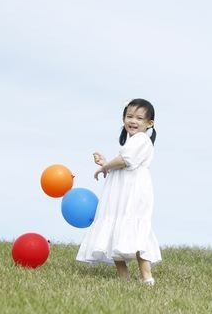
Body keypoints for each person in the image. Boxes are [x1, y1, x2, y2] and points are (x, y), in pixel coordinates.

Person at [76, 98, 162, 285]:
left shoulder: (141, 139)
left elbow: (126, 160)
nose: (133, 121)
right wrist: (106, 163)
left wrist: (105, 166)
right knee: (116, 228)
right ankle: (124, 279)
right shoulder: (131, 142)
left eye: (139, 118)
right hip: (121, 191)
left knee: (135, 229)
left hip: (133, 192)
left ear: (150, 124)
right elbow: (122, 161)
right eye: (129, 116)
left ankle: (147, 277)